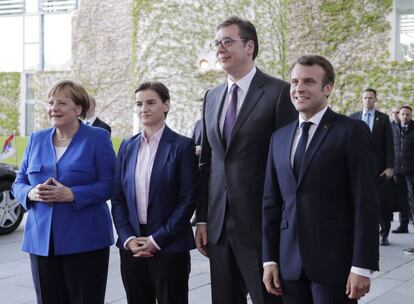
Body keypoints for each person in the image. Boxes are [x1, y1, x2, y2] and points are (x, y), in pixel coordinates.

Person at [262, 55, 379, 304]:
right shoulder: (279, 138)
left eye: (308, 82)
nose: (298, 88)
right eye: (294, 81)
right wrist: (269, 259)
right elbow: (271, 204)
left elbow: (366, 201)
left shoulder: (351, 131)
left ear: (328, 89)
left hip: (335, 265)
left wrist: (362, 266)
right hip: (289, 265)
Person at [195, 16, 296, 304]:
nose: (220, 48)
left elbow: (286, 165)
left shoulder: (278, 93)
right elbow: (208, 163)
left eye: (228, 41)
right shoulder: (211, 97)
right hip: (218, 227)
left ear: (249, 46)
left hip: (260, 226)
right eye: (217, 43)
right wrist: (202, 218)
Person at [12, 80, 116, 304]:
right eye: (50, 102)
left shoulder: (97, 138)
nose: (53, 108)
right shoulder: (36, 139)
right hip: (41, 242)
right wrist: (30, 193)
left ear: (78, 109)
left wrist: (73, 194)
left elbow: (110, 184)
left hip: (86, 241)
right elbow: (18, 182)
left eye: (61, 102)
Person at [111, 81, 198, 304]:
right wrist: (128, 238)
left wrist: (157, 240)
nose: (144, 109)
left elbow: (188, 200)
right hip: (132, 247)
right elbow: (118, 198)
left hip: (169, 246)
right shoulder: (127, 146)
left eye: (151, 102)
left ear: (166, 105)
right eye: (139, 104)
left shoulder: (182, 146)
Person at [349, 88, 394, 246]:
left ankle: (384, 233)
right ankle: (363, 232)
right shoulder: (353, 118)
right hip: (359, 167)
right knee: (360, 200)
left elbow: (389, 144)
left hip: (379, 169)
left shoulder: (383, 119)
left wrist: (390, 166)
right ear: (362, 99)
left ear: (375, 100)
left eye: (370, 98)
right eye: (365, 98)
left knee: (381, 203)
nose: (367, 100)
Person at [392, 106, 414, 234]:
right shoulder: (393, 128)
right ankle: (403, 225)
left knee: (412, 200)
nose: (405, 117)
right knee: (401, 199)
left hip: (411, 171)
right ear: (398, 115)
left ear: (411, 116)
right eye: (403, 114)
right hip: (397, 170)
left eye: (407, 114)